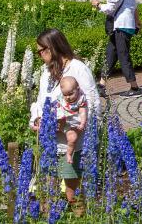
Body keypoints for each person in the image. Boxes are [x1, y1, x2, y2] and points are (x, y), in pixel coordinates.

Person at [29, 29, 100, 211]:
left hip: (72, 143)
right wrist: (37, 118)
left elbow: (92, 106)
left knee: (72, 195)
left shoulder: (77, 69)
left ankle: (80, 218)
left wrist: (67, 124)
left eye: (41, 51)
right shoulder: (47, 72)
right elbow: (40, 101)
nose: (39, 55)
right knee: (48, 192)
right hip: (50, 142)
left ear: (52, 48)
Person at [92, 0, 142, 98]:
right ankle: (101, 85)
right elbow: (134, 6)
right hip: (126, 25)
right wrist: (137, 22)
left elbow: (110, 8)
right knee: (110, 54)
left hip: (121, 26)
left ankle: (134, 87)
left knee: (123, 55)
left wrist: (97, 4)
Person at [56, 76, 88, 164]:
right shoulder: (61, 98)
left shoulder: (80, 99)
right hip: (62, 120)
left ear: (78, 89)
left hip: (73, 125)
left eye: (70, 94)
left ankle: (69, 154)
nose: (68, 97)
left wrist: (82, 123)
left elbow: (83, 113)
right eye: (65, 95)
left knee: (72, 139)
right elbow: (56, 107)